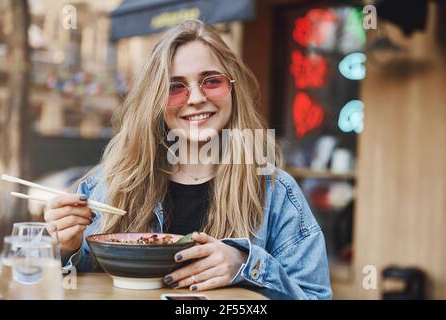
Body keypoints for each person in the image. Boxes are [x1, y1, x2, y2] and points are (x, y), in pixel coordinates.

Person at [44, 20, 332, 299]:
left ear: (233, 89)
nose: (195, 98)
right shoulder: (110, 182)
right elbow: (70, 283)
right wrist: (65, 249)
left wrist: (246, 265)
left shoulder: (275, 191)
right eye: (175, 87)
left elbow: (313, 297)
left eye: (212, 81)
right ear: (154, 100)